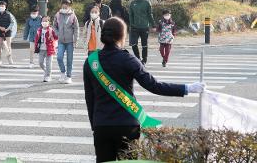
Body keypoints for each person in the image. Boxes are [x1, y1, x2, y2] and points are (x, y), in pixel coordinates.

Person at [83, 17, 206, 163]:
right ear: (122, 35)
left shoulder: (91, 62)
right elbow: (154, 86)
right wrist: (187, 88)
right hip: (127, 126)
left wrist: (95, 124)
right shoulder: (128, 59)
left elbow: (89, 99)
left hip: (101, 126)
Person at [53, 0, 79, 84]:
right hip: (61, 41)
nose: (65, 5)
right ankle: (62, 72)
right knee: (59, 57)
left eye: (67, 4)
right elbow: (54, 26)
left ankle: (69, 76)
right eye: (63, 3)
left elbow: (76, 28)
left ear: (69, 5)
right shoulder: (58, 15)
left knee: (69, 59)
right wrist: (57, 34)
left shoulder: (72, 15)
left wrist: (75, 39)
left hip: (70, 41)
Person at [128, 0, 156, 65]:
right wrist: (131, 25)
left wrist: (153, 25)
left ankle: (144, 60)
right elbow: (131, 15)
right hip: (135, 27)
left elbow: (150, 15)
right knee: (133, 44)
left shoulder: (147, 3)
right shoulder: (132, 3)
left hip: (144, 27)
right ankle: (138, 58)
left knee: (144, 44)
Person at [34, 16, 58, 82]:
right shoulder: (39, 30)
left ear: (49, 22)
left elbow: (56, 37)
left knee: (49, 63)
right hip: (41, 49)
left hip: (49, 49)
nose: (44, 22)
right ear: (41, 22)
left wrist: (53, 35)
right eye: (43, 21)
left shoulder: (51, 30)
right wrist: (35, 47)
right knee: (40, 62)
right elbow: (36, 39)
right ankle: (46, 71)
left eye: (46, 21)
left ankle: (48, 76)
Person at [0, 1, 16, 66]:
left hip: (7, 32)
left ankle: (9, 59)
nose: (1, 7)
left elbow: (12, 23)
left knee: (8, 46)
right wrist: (0, 27)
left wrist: (7, 29)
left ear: (5, 7)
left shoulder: (9, 14)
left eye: (2, 6)